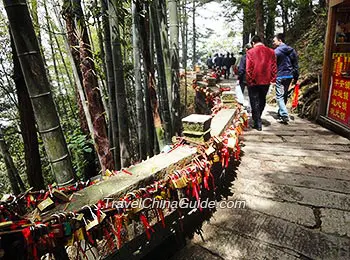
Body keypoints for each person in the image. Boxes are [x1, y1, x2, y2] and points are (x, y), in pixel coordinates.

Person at [246, 35, 277, 131]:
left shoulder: (250, 52)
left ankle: (257, 121)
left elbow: (248, 68)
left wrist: (249, 80)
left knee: (254, 100)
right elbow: (274, 66)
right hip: (266, 80)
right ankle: (258, 117)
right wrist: (273, 79)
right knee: (262, 99)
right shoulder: (271, 51)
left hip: (254, 80)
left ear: (253, 43)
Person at [272, 33, 299, 123]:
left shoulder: (276, 52)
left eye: (274, 40)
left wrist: (272, 76)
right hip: (289, 75)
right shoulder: (292, 50)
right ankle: (280, 112)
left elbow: (273, 65)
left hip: (280, 75)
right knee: (284, 94)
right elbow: (295, 64)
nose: (273, 42)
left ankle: (284, 114)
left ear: (280, 40)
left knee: (279, 96)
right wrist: (296, 77)